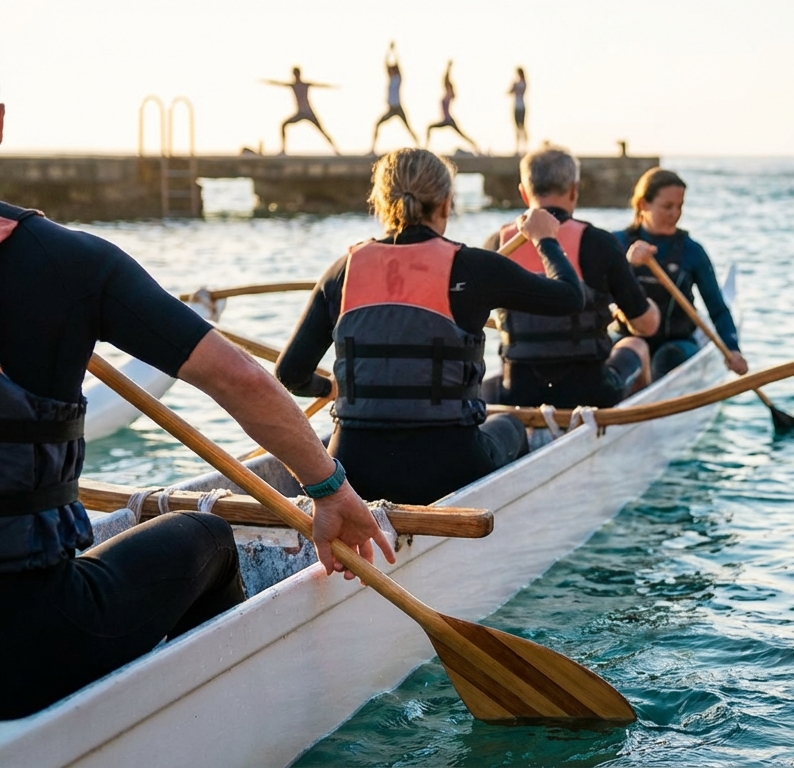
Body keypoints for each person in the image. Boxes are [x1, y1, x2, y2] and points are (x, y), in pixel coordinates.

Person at [0, 103, 392, 719]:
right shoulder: (70, 264)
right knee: (208, 536)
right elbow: (239, 378)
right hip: (22, 642)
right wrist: (330, 489)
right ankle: (228, 721)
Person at [275, 148, 585, 504]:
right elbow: (569, 298)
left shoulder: (343, 270)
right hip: (451, 465)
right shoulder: (474, 267)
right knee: (513, 426)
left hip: (354, 469)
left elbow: (289, 373)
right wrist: (545, 238)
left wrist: (327, 386)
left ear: (379, 202)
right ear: (446, 203)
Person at [483, 145, 660, 408]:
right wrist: (650, 310)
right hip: (591, 393)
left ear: (523, 192)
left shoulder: (497, 243)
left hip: (518, 392)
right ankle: (632, 427)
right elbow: (645, 326)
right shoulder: (598, 242)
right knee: (636, 345)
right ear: (575, 190)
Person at [616, 168, 748, 380]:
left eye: (680, 206)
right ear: (643, 205)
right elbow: (594, 296)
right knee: (622, 357)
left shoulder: (692, 251)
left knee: (666, 359)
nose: (675, 214)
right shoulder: (617, 244)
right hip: (628, 337)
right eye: (667, 206)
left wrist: (732, 348)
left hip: (678, 343)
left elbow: (717, 308)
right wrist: (627, 264)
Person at [265, 67, 341, 155]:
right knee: (283, 125)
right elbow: (279, 84)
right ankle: (283, 150)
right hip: (300, 113)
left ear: (299, 74)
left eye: (297, 75)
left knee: (322, 130)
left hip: (308, 112)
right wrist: (268, 82)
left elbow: (319, 85)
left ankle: (336, 150)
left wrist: (332, 86)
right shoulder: (293, 85)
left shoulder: (305, 84)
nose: (296, 77)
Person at [371, 42, 420, 155]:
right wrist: (388, 51)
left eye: (393, 70)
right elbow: (385, 64)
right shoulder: (391, 78)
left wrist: (394, 51)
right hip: (391, 108)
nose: (391, 71)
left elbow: (398, 65)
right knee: (378, 124)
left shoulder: (398, 79)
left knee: (408, 127)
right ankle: (373, 148)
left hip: (397, 108)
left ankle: (420, 146)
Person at [425, 60, 481, 155]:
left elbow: (446, 79)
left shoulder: (449, 94)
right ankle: (426, 147)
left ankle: (476, 147)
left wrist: (448, 68)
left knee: (462, 134)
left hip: (448, 120)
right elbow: (444, 81)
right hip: (445, 120)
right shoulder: (447, 94)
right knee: (429, 127)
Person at [508, 67, 528, 155]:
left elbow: (518, 91)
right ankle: (518, 147)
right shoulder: (517, 83)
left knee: (522, 127)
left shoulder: (522, 83)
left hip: (521, 107)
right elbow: (509, 92)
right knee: (517, 128)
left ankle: (524, 147)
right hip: (516, 106)